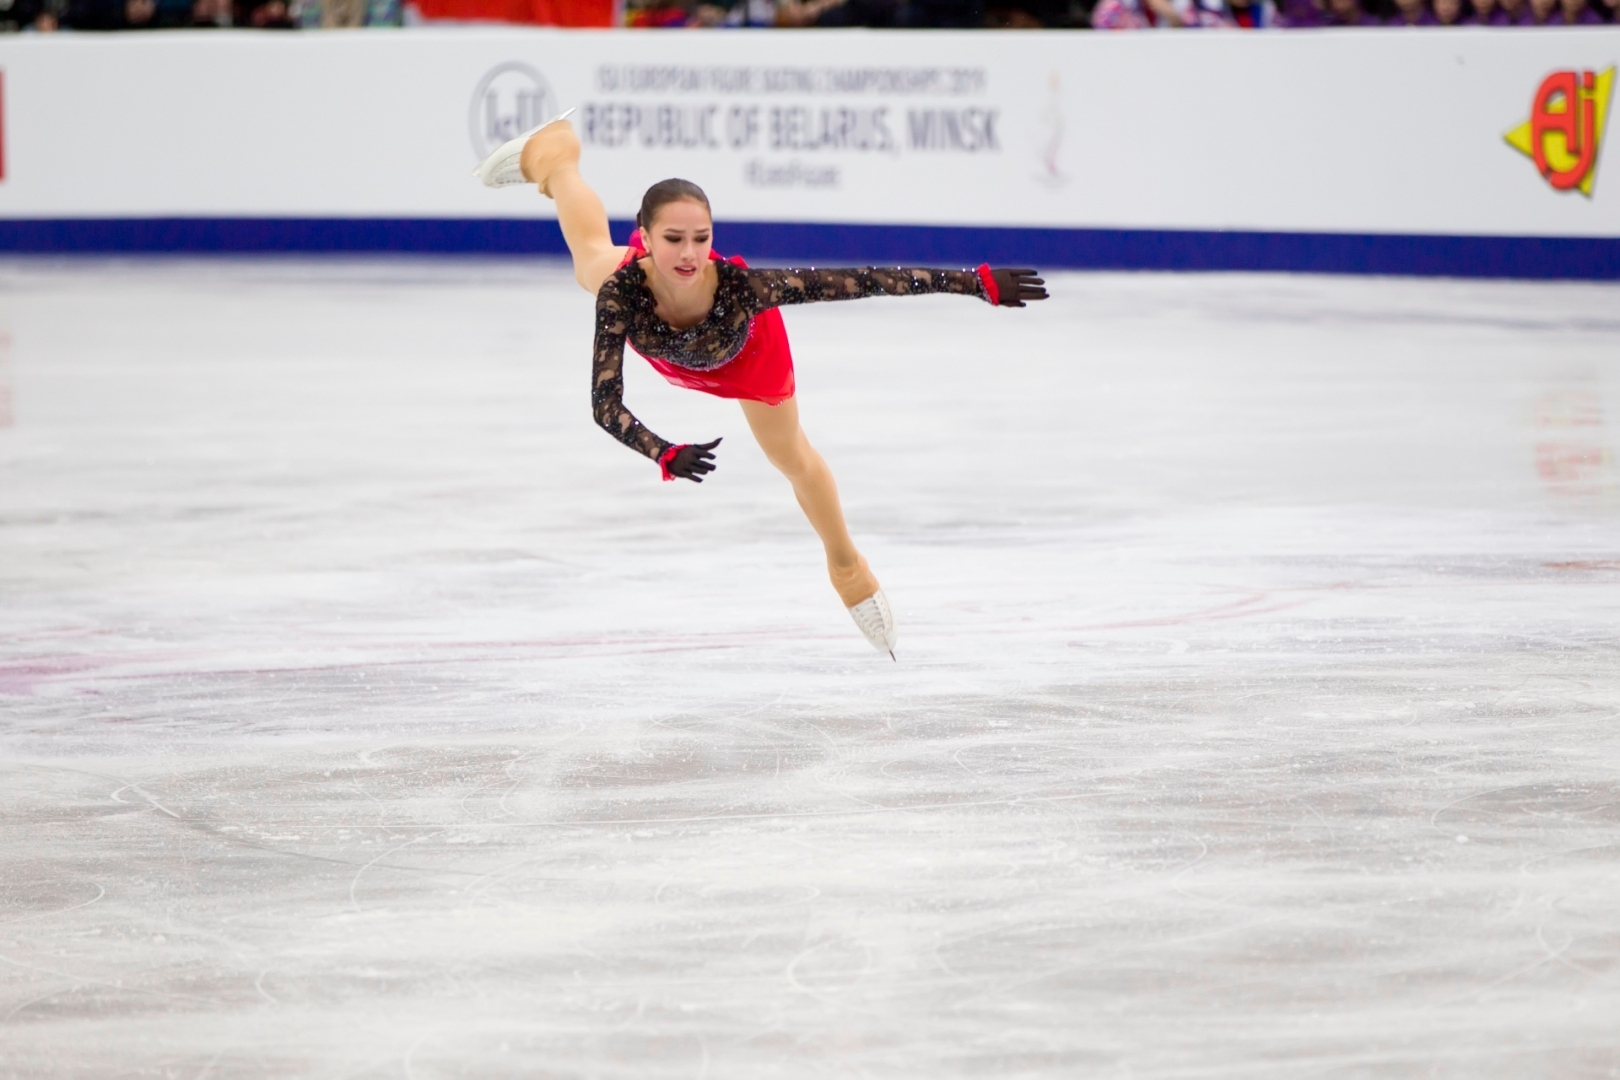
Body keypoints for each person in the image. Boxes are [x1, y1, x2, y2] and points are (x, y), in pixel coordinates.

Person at [472, 116, 1047, 657]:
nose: (691, 254)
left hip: (747, 357)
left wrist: (973, 282)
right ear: (645, 239)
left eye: (701, 237)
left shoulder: (742, 289)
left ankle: (846, 565)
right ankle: (555, 155)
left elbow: (866, 282)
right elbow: (604, 402)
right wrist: (663, 452)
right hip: (666, 341)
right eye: (674, 238)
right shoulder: (622, 291)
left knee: (789, 454)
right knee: (590, 263)